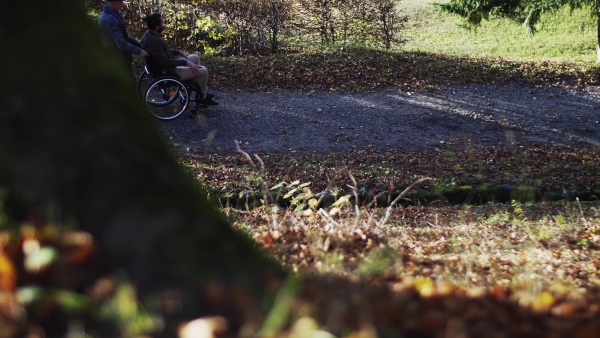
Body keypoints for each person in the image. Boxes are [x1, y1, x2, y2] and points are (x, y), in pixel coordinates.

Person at [141, 13, 218, 105]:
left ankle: (201, 92)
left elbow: (163, 52)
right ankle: (203, 98)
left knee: (195, 57)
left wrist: (179, 52)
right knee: (203, 70)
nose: (163, 24)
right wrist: (186, 63)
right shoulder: (153, 41)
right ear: (157, 27)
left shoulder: (149, 35)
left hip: (165, 66)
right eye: (162, 22)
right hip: (168, 71)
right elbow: (165, 61)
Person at [99, 0, 148, 75]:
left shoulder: (113, 15)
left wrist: (136, 43)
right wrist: (139, 51)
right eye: (120, 2)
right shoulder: (109, 19)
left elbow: (123, 36)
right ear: (114, 3)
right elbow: (120, 42)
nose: (122, 4)